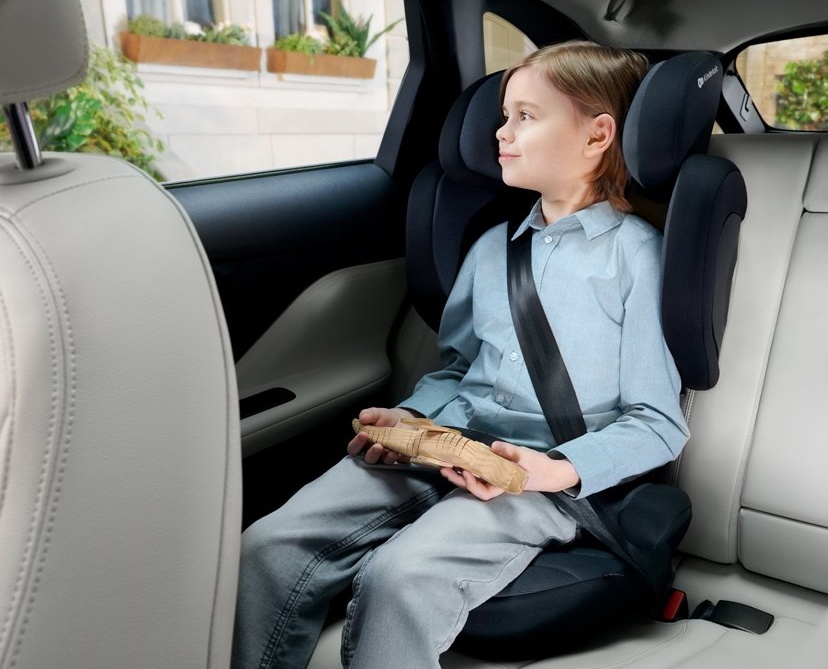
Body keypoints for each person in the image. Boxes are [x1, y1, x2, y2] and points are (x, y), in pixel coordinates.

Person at [231, 40, 689, 669]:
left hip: (543, 478)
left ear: (597, 135)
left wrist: (552, 470)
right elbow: (456, 369)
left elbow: (657, 423)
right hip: (449, 445)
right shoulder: (495, 248)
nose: (501, 132)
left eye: (525, 116)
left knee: (401, 577)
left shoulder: (636, 256)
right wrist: (412, 419)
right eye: (503, 116)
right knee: (268, 545)